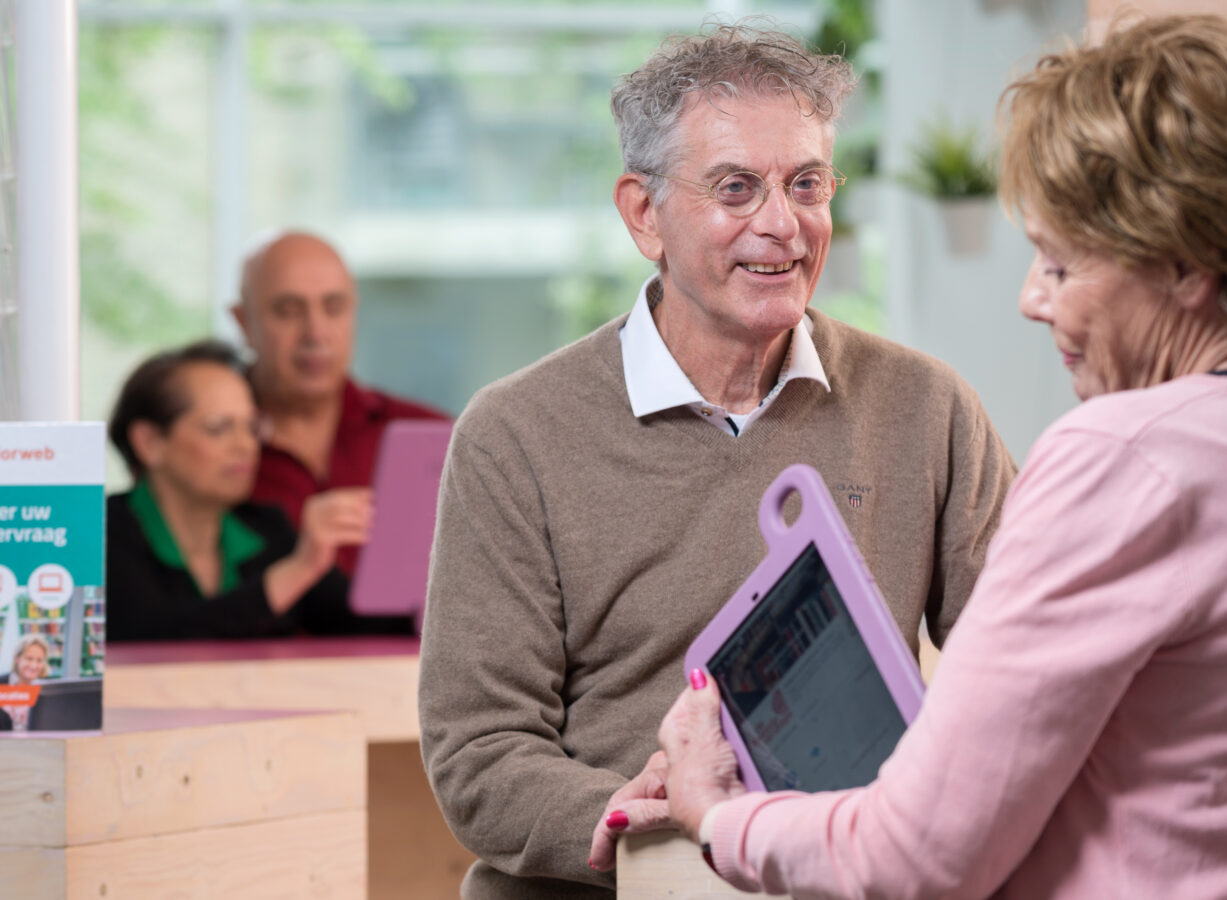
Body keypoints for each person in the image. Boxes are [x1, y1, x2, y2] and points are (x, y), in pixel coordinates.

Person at [630, 16, 1227, 898]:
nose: (1033, 300)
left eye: (1061, 265)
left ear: (1191, 266)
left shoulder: (1123, 457)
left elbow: (915, 855)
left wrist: (717, 812)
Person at [419, 24, 1016, 898]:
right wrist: (636, 813)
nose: (782, 224)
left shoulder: (927, 406)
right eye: (736, 188)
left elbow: (1016, 671)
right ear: (642, 213)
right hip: (624, 878)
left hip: (845, 871)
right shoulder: (514, 434)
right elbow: (479, 750)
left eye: (806, 184)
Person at [106, 339, 403, 640]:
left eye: (251, 427)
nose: (245, 445)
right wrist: (297, 570)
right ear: (150, 443)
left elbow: (364, 623)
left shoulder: (267, 528)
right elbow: (150, 637)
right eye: (219, 427)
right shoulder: (101, 533)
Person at [232, 231, 448, 577]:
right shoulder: (200, 447)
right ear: (243, 322)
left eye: (334, 308)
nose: (316, 332)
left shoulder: (433, 435)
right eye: (288, 312)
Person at [0, 634, 50, 732]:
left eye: (39, 660)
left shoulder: (45, 689)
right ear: (17, 659)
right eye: (29, 658)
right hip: (1, 744)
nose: (34, 665)